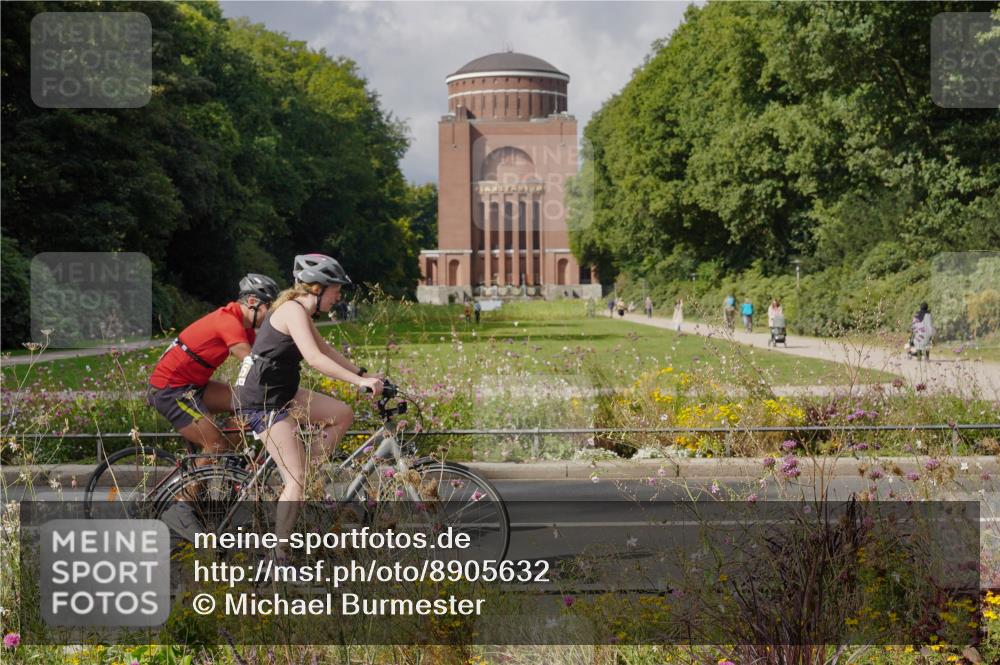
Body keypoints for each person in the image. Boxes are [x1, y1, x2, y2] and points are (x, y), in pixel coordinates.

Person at [236, 254, 384, 557]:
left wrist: (363, 374)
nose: (339, 296)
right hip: (263, 402)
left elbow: (325, 348)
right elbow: (315, 360)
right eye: (336, 290)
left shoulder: (300, 311)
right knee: (296, 479)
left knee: (342, 414)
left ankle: (303, 482)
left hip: (284, 393)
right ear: (317, 288)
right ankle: (279, 559)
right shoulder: (291, 310)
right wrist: (359, 384)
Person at [147, 273, 279, 458]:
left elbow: (264, 354)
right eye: (269, 308)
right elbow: (252, 360)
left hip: (194, 387)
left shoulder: (245, 328)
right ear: (251, 301)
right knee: (215, 444)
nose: (271, 315)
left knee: (247, 403)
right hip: (171, 390)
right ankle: (191, 487)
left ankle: (229, 469)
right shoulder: (228, 321)